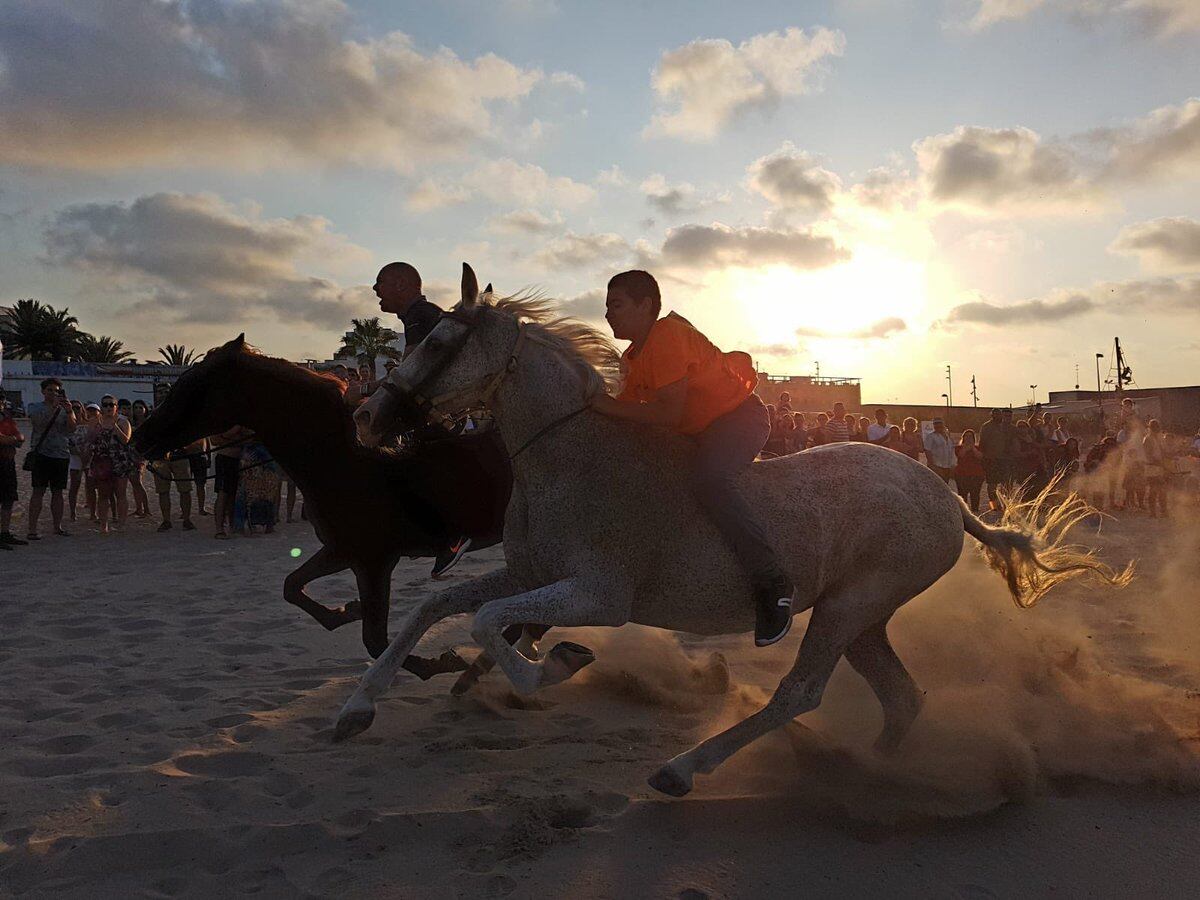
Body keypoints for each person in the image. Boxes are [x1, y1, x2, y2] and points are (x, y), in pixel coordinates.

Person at [592, 269, 793, 646]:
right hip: (698, 431)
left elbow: (665, 414)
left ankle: (773, 583)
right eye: (606, 307)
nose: (607, 314)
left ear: (646, 305)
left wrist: (599, 405)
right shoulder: (632, 358)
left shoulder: (667, 336)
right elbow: (629, 414)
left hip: (739, 419)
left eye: (615, 305)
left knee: (709, 481)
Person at [373, 260, 473, 578]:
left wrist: (365, 390)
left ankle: (453, 534)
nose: (376, 290)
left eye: (380, 283)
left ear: (402, 284)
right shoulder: (419, 315)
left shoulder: (420, 315)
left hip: (448, 411)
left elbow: (410, 371)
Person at [25, 377, 77, 540]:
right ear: (43, 391)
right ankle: (32, 529)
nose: (53, 393)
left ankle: (57, 526)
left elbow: (72, 428)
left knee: (58, 492)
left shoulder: (65, 409)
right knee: (38, 491)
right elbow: (38, 423)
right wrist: (53, 408)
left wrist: (69, 412)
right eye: (50, 390)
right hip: (41, 454)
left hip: (60, 454)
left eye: (56, 390)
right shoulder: (35, 407)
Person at [84, 395, 134, 535]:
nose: (108, 408)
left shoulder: (123, 421)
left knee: (121, 493)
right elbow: (89, 440)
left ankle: (122, 524)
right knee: (103, 494)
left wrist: (115, 427)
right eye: (105, 405)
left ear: (116, 407)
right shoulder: (95, 422)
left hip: (119, 460)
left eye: (111, 405)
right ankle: (103, 525)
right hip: (101, 461)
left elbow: (126, 440)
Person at [212, 425, 252, 539]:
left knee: (233, 494)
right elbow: (216, 439)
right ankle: (219, 528)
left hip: (238, 459)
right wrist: (235, 431)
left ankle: (232, 525)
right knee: (223, 493)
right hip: (225, 457)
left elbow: (249, 437)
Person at [150, 441, 198, 532]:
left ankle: (186, 519)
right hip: (159, 457)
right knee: (163, 490)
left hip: (179, 455)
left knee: (185, 489)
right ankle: (166, 520)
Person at [0, 401, 26, 549]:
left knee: (8, 498)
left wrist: (12, 439)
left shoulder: (6, 418)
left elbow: (20, 436)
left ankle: (4, 532)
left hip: (7, 461)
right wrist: (12, 439)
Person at [978, 408, 1014, 511]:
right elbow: (982, 443)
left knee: (1006, 484)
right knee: (992, 484)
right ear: (992, 415)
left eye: (999, 414)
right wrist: (985, 458)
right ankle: (994, 505)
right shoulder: (986, 427)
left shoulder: (1005, 427)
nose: (997, 416)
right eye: (995, 414)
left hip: (1005, 459)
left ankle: (1005, 504)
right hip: (991, 459)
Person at [127, 400, 152, 518]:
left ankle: (146, 509)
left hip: (140, 454)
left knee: (138, 482)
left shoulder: (148, 423)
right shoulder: (131, 422)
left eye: (140, 407)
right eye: (135, 407)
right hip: (130, 454)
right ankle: (139, 508)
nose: (138, 410)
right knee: (134, 482)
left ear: (145, 409)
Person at [955, 428, 985, 512]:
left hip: (976, 475)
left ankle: (975, 511)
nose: (968, 438)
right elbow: (961, 455)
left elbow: (980, 456)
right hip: (962, 475)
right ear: (963, 437)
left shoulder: (978, 448)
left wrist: (973, 447)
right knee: (962, 495)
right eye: (966, 436)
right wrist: (967, 447)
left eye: (970, 436)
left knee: (975, 495)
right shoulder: (958, 448)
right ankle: (964, 512)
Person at [1143, 418, 1167, 518]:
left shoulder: (1158, 439)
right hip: (1151, 468)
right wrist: (1158, 462)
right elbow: (1148, 454)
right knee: (1154, 490)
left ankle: (1163, 511)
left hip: (1158, 467)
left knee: (1161, 490)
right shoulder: (1148, 439)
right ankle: (1153, 512)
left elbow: (1161, 453)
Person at [924, 418, 956, 483]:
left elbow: (951, 452)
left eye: (939, 424)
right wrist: (933, 466)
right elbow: (927, 451)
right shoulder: (931, 436)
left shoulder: (948, 437)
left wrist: (952, 465)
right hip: (937, 467)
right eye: (936, 424)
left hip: (947, 467)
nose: (938, 426)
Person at [189, 436, 210, 515]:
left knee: (201, 484)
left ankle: (201, 508)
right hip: (188, 455)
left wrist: (209, 456)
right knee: (186, 486)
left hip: (200, 456)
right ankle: (186, 509)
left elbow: (207, 441)